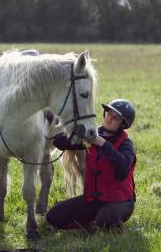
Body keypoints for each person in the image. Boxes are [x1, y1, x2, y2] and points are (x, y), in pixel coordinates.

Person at [46, 99, 136, 232]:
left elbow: (123, 166)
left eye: (115, 118)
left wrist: (102, 144)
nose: (109, 119)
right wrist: (75, 130)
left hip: (120, 202)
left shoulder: (126, 144)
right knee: (53, 217)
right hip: (94, 200)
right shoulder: (92, 134)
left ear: (122, 124)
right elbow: (59, 143)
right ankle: (93, 225)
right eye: (108, 114)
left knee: (105, 218)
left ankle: (102, 223)